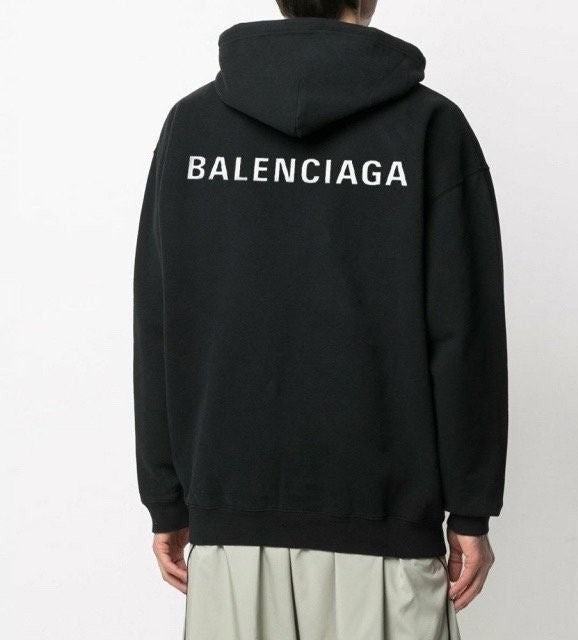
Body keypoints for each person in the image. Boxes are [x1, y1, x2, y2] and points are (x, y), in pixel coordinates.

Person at [132, 1, 508, 638]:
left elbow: (161, 318)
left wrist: (165, 495)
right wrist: (471, 509)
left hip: (231, 514)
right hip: (386, 519)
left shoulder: (192, 126)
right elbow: (463, 330)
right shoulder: (429, 126)